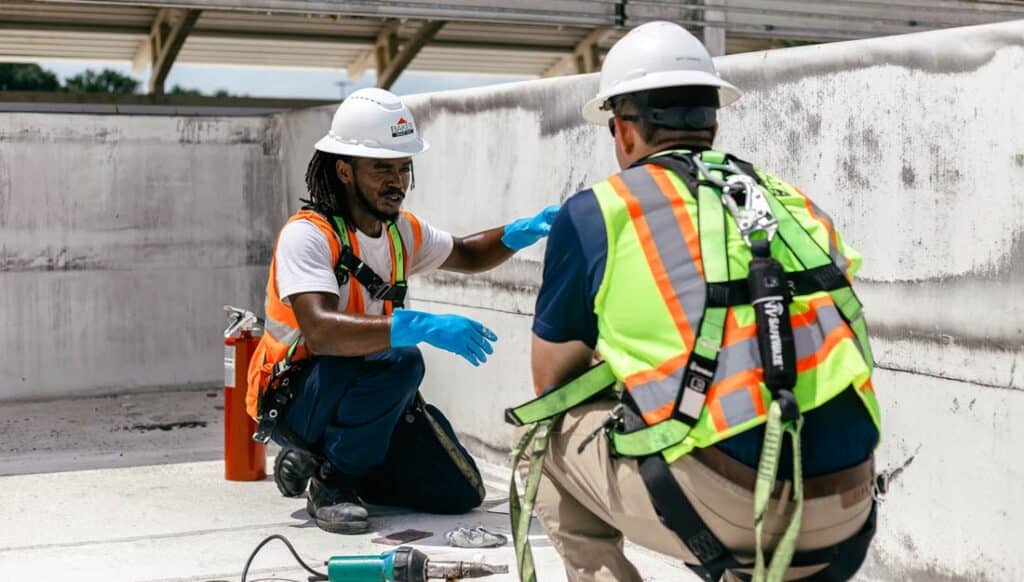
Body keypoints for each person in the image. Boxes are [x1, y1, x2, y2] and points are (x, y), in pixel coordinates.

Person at [508, 21, 880, 582]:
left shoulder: (598, 213)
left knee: (541, 433)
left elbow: (551, 384)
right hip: (848, 507)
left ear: (625, 130)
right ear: (714, 122)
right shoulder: (789, 200)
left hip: (732, 510)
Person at [246, 87, 558, 535]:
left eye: (403, 167)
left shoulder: (399, 233)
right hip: (296, 397)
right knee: (401, 360)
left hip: (364, 387)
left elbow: (467, 254)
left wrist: (522, 231)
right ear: (344, 171)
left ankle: (320, 459)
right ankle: (332, 483)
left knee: (460, 492)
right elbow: (320, 332)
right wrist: (419, 325)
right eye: (382, 169)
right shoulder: (309, 236)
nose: (397, 181)